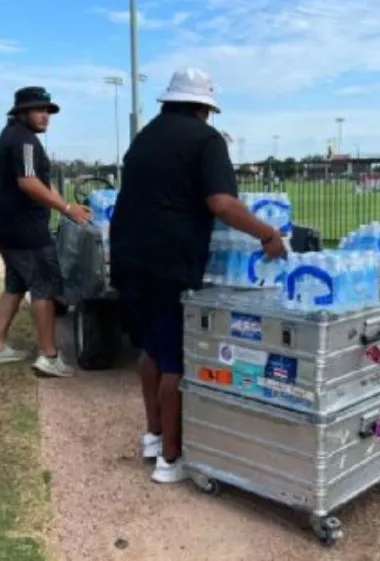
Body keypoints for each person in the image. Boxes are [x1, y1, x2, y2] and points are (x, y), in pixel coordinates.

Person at [110, 67, 287, 484]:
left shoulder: (144, 139)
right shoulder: (206, 141)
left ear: (169, 101)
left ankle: (153, 435)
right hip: (169, 261)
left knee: (150, 351)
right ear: (205, 109)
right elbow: (223, 203)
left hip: (127, 256)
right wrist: (267, 234)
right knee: (174, 360)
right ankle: (171, 460)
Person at [0, 86, 90, 377]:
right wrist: (67, 209)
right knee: (44, 286)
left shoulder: (12, 136)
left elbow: (41, 182)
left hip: (6, 227)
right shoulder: (24, 141)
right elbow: (28, 183)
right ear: (21, 112)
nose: (45, 116)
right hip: (25, 229)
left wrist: (68, 205)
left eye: (47, 111)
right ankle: (48, 356)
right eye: (38, 110)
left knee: (16, 285)